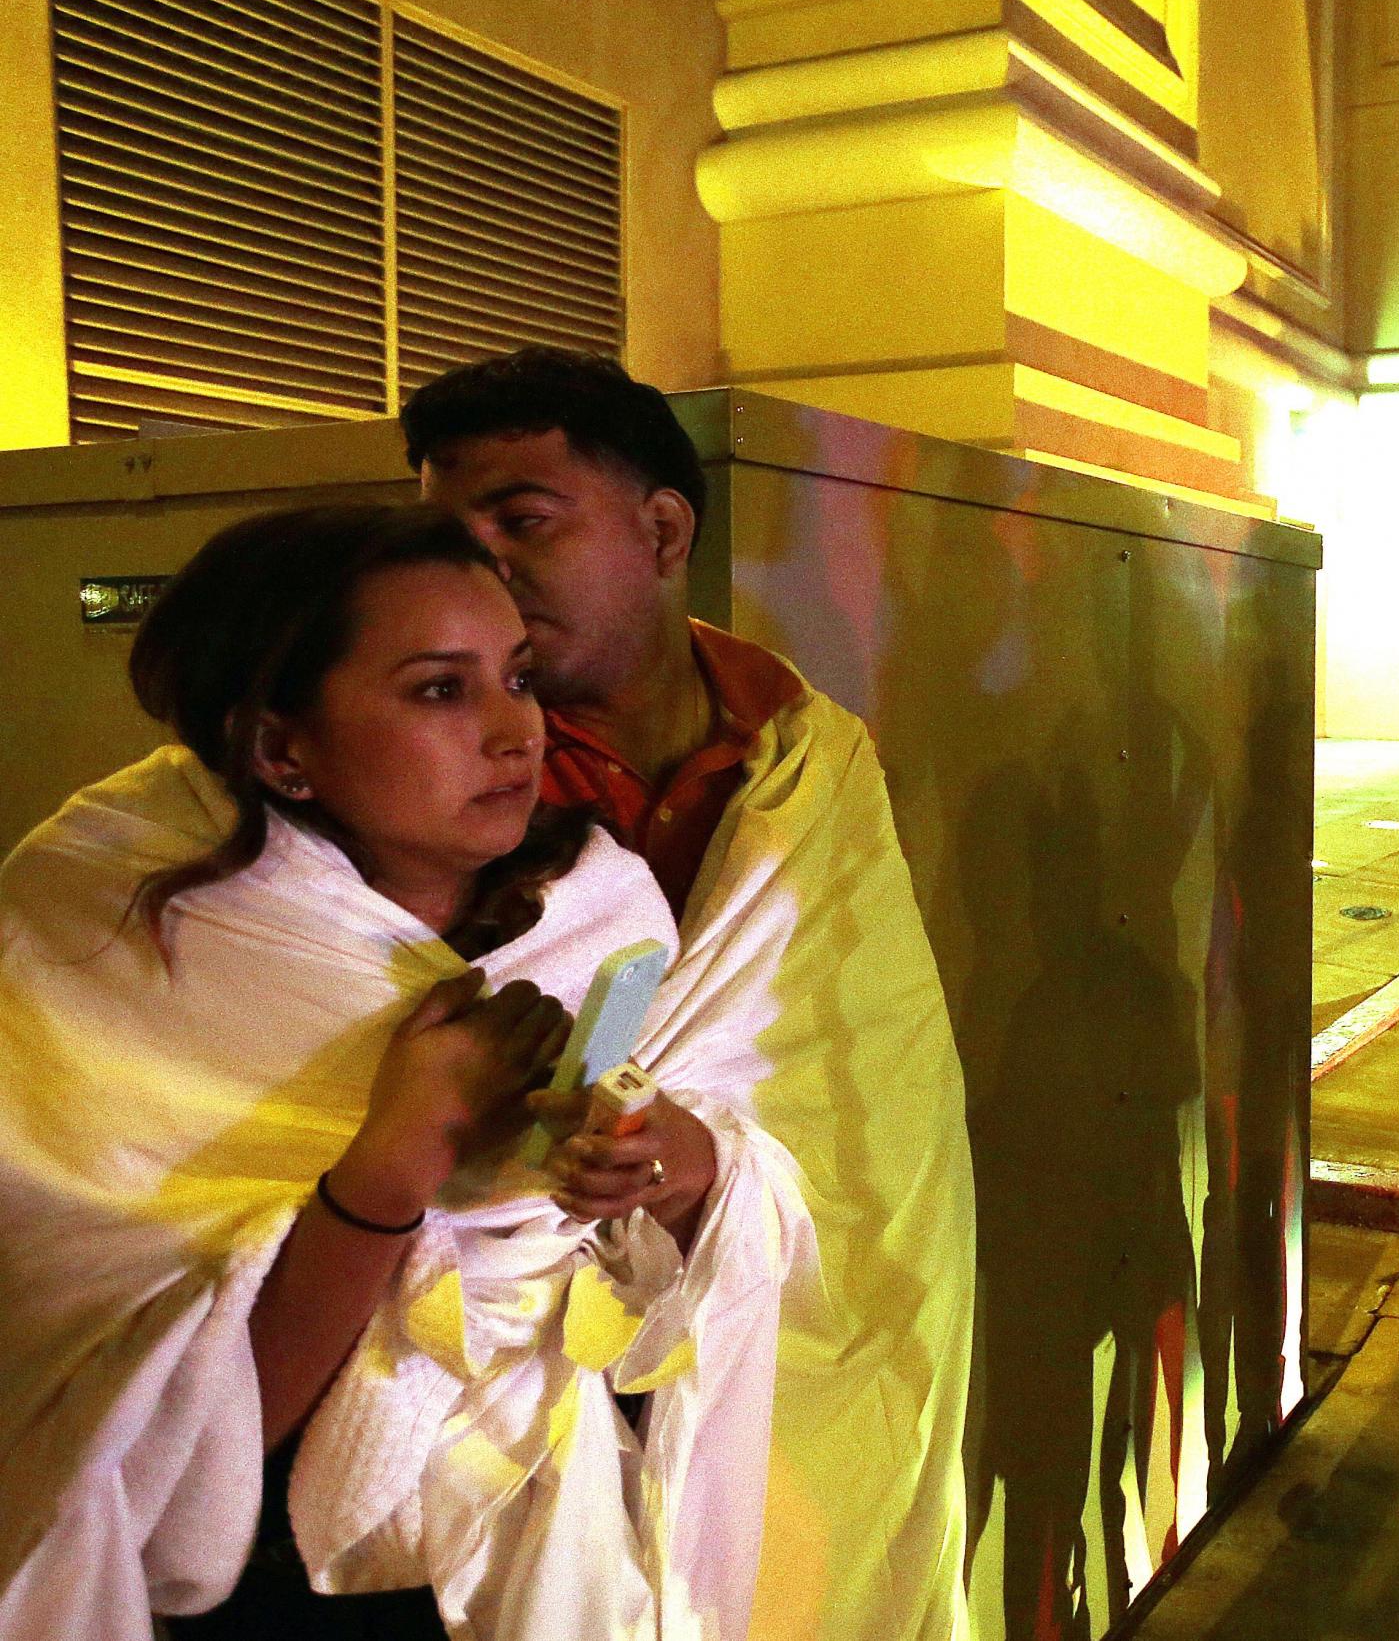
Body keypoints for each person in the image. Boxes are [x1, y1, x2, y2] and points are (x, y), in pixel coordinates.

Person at [0, 505, 809, 1639]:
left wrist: (674, 1163)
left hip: (537, 1527)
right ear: (281, 746)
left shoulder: (597, 911)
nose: (514, 730)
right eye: (440, 689)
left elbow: (714, 1233)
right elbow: (152, 1465)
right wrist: (394, 1162)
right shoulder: (114, 936)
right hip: (269, 1586)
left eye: (517, 677)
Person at [400, 349, 979, 1641]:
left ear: (663, 526)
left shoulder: (806, 756)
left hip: (747, 1310)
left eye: (522, 518)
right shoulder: (414, 749)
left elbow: (866, 1079)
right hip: (476, 1355)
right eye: (452, 532)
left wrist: (709, 1155)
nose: (480, 563)